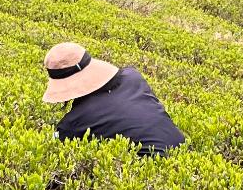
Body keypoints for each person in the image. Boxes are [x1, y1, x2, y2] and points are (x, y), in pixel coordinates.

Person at [42, 42, 184, 155]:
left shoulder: (74, 122)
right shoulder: (132, 76)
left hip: (152, 172)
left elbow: (50, 146)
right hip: (185, 151)